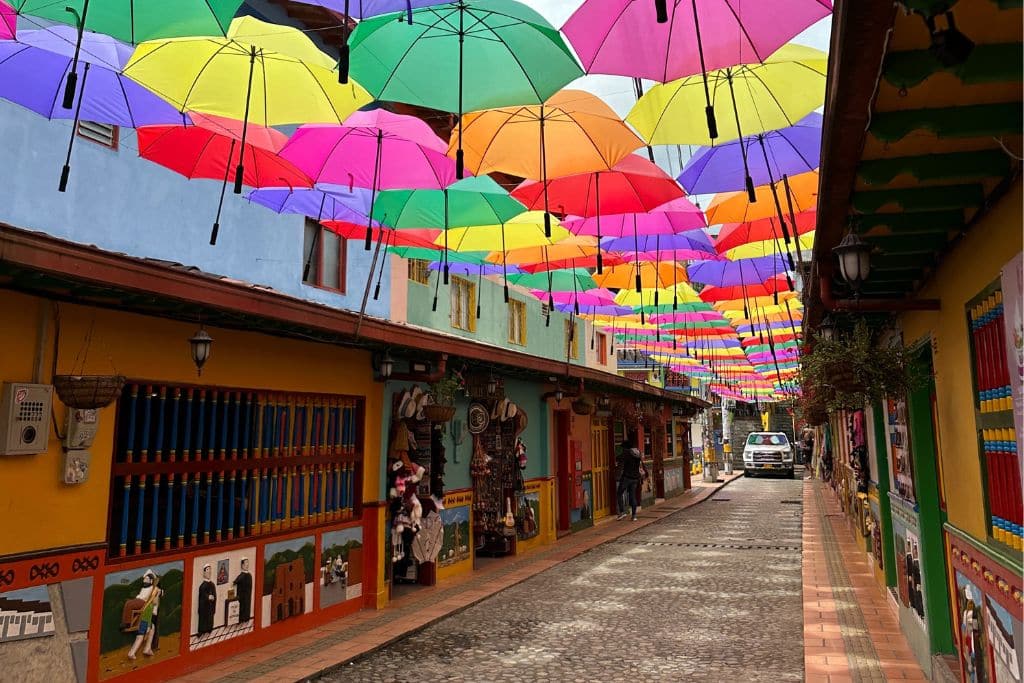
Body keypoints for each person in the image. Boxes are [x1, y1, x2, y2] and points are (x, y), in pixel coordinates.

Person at [616, 439, 645, 521]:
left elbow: (618, 458)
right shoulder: (638, 453)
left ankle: (622, 512)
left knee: (619, 493)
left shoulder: (626, 453)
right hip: (635, 478)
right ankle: (634, 515)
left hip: (626, 477)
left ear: (626, 447)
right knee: (633, 496)